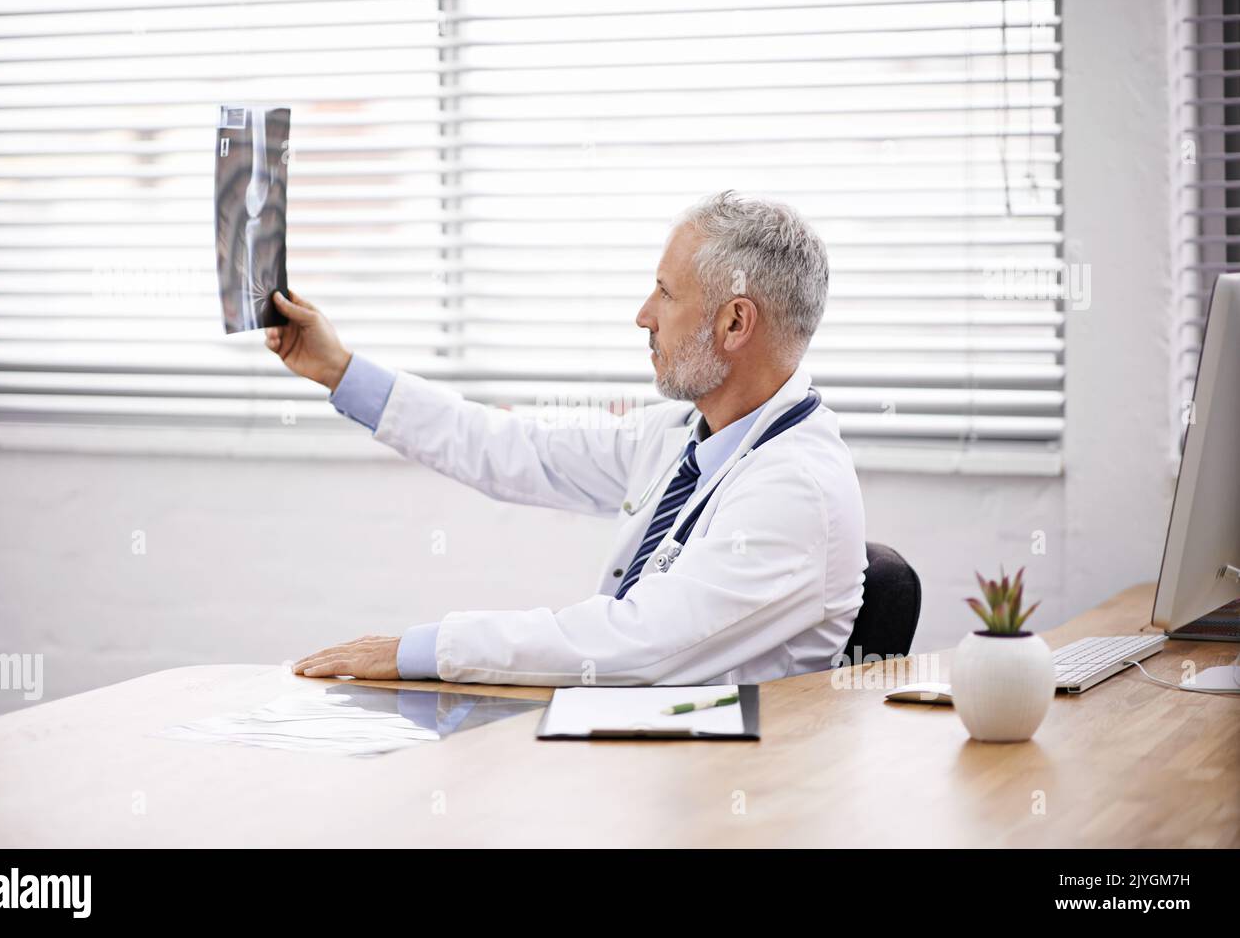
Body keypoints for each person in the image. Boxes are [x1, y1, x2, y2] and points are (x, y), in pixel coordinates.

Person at [269, 191, 866, 686]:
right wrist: (339, 370)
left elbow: (640, 642)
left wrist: (423, 649)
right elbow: (516, 449)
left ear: (735, 323)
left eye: (666, 292)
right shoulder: (685, 436)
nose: (643, 315)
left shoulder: (795, 487)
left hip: (724, 797)